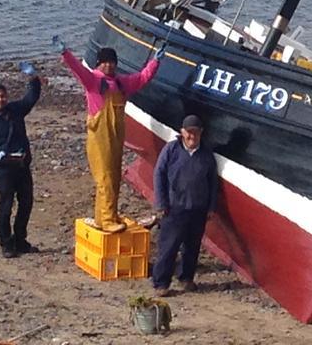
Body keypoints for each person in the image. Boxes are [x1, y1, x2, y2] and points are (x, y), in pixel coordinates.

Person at [55, 35, 164, 233]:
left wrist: (156, 61)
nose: (109, 66)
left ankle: (105, 215)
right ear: (99, 64)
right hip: (99, 138)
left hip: (115, 137)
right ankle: (106, 220)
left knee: (114, 177)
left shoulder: (121, 84)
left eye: (112, 62)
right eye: (105, 62)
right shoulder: (93, 81)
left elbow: (141, 78)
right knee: (104, 177)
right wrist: (65, 53)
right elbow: (78, 70)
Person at [0, 62, 43, 258]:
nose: (0, 100)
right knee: (6, 205)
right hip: (4, 170)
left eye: (3, 96)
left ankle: (20, 241)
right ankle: (6, 244)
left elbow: (31, 98)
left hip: (22, 166)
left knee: (26, 203)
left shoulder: (15, 110)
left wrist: (33, 79)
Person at [151, 114, 219, 297]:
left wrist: (211, 207)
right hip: (174, 208)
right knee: (168, 247)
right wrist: (161, 203)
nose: (192, 137)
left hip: (198, 208)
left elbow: (213, 182)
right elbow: (159, 175)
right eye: (189, 133)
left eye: (196, 133)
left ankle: (186, 278)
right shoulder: (171, 150)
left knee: (192, 246)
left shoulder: (206, 155)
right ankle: (161, 283)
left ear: (201, 133)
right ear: (182, 132)